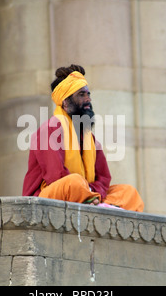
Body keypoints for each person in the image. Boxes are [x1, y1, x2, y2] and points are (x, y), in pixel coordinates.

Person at [22, 64, 144, 212]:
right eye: (81, 95)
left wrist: (93, 192)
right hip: (48, 197)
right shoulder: (50, 129)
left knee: (128, 192)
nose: (88, 99)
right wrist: (87, 190)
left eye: (88, 94)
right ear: (65, 102)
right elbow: (56, 176)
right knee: (75, 182)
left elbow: (104, 178)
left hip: (87, 193)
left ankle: (94, 203)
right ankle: (95, 204)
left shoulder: (89, 138)